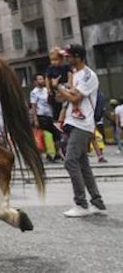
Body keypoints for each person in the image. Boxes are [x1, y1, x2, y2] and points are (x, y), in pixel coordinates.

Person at [58, 44, 106, 217]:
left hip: (83, 123)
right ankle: (98, 203)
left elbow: (75, 97)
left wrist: (60, 89)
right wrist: (61, 90)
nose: (67, 59)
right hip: (74, 122)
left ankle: (81, 204)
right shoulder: (75, 75)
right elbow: (63, 98)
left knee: (70, 161)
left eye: (69, 56)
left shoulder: (88, 75)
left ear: (78, 57)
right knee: (83, 166)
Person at [29, 74, 61, 162]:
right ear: (35, 82)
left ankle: (57, 153)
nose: (42, 80)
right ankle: (48, 153)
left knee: (56, 134)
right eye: (39, 79)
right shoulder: (34, 92)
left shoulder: (46, 90)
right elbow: (34, 106)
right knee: (43, 135)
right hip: (41, 116)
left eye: (42, 79)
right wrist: (35, 119)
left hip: (49, 115)